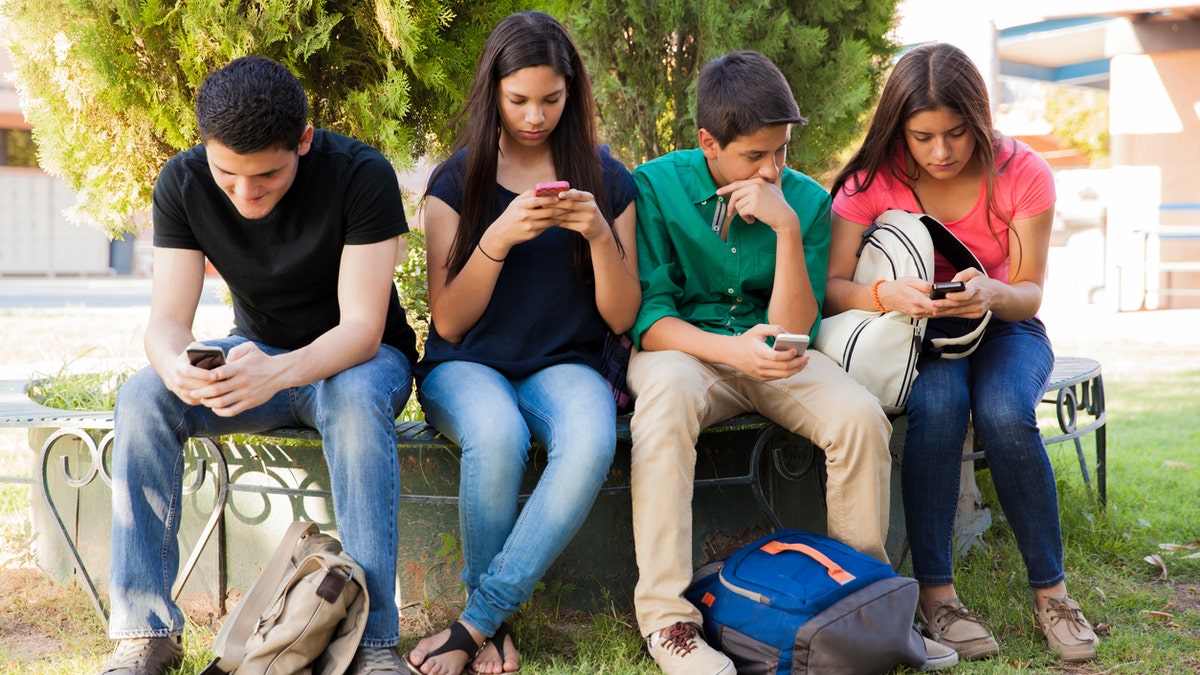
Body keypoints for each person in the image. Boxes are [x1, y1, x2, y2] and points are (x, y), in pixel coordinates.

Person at [626, 50, 956, 675]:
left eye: (780, 152)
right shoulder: (657, 187)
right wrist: (730, 350)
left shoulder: (800, 199)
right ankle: (669, 621)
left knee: (859, 416)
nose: (773, 169)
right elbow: (650, 319)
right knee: (663, 400)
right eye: (755, 156)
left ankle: (867, 609)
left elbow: (795, 327)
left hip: (780, 356)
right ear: (708, 143)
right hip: (687, 353)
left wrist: (781, 230)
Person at [100, 55, 419, 675]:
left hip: (359, 363)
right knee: (143, 396)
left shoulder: (361, 175)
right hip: (259, 357)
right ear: (206, 149)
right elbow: (166, 322)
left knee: (353, 401)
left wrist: (277, 372)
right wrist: (174, 367)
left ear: (302, 140)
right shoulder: (183, 183)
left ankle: (375, 645)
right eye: (228, 174)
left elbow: (361, 329)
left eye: (267, 176)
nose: (246, 194)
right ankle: (147, 633)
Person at [827, 42, 1099, 663]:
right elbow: (833, 292)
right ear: (900, 129)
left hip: (1004, 327)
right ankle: (937, 598)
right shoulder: (870, 180)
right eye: (923, 137)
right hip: (915, 335)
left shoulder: (1022, 172)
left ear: (978, 120)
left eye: (956, 134)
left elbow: (1029, 294)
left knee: (1005, 411)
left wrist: (992, 292)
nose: (942, 152)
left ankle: (1053, 594)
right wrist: (884, 293)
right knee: (942, 408)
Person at [404, 11, 639, 675]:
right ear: (494, 94)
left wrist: (598, 234)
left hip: (567, 363)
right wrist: (499, 237)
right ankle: (492, 624)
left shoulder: (607, 177)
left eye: (551, 100)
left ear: (572, 94)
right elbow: (449, 321)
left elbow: (621, 313)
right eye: (519, 101)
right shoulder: (457, 181)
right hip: (466, 364)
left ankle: (477, 621)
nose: (535, 116)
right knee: (498, 434)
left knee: (591, 439)